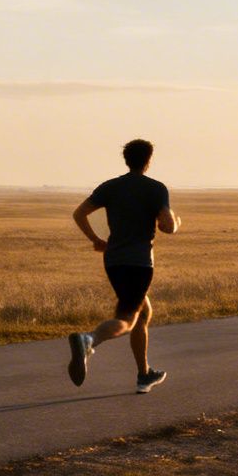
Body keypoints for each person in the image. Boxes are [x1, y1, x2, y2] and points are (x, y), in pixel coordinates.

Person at [67, 138, 180, 393]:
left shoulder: (110, 187)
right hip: (139, 263)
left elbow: (79, 213)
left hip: (114, 260)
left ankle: (144, 375)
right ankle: (89, 340)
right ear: (148, 160)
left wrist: (96, 240)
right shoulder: (156, 188)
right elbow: (169, 226)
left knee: (143, 312)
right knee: (127, 319)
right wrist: (175, 222)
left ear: (126, 160)